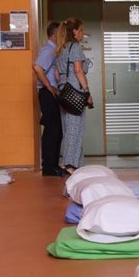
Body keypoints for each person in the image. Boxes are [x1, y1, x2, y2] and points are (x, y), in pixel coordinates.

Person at [55, 17, 92, 175]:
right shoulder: (75, 47)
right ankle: (70, 164)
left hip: (63, 91)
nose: (82, 33)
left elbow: (57, 74)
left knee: (68, 129)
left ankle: (75, 163)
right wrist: (87, 91)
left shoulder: (60, 48)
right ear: (75, 31)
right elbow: (78, 70)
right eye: (81, 30)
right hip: (75, 90)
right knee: (75, 129)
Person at [32, 21, 62, 177]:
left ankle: (54, 164)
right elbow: (37, 67)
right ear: (54, 33)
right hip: (47, 93)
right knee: (52, 130)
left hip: (51, 93)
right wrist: (49, 86)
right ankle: (48, 167)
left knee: (57, 130)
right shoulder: (48, 50)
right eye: (61, 33)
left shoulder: (54, 50)